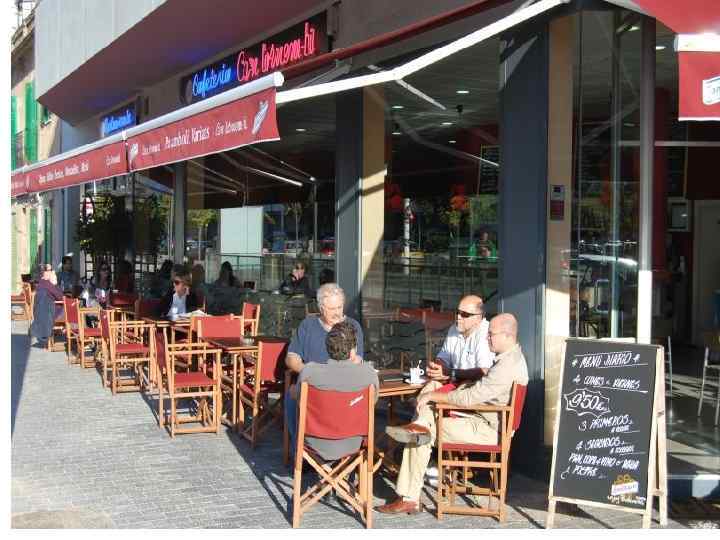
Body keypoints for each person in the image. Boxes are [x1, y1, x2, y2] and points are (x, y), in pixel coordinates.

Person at [376, 313, 528, 515]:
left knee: (422, 434)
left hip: (489, 429)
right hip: (485, 418)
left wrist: (433, 396)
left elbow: (470, 397)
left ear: (507, 335)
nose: (487, 338)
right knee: (426, 413)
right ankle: (418, 428)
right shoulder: (510, 358)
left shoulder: (506, 367)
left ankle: (409, 497)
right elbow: (479, 390)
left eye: (491, 334)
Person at [284, 283, 365, 451]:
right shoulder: (308, 326)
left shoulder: (353, 326)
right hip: (313, 386)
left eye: (340, 307)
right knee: (291, 398)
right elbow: (291, 358)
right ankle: (302, 449)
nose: (337, 313)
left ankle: (340, 450)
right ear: (321, 308)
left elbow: (358, 360)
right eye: (332, 308)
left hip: (344, 388)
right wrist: (310, 372)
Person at [292, 320, 379, 461]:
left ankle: (303, 459)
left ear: (328, 348)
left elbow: (299, 399)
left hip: (315, 441)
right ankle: (347, 469)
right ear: (353, 351)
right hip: (353, 442)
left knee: (295, 399)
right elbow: (372, 403)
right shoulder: (368, 373)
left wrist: (293, 390)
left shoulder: (309, 372)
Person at [421, 295, 494, 395]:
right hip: (455, 384)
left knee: (428, 398)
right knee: (427, 390)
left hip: (475, 388)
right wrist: (437, 368)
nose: (458, 317)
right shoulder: (454, 329)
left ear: (479, 317)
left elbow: (483, 372)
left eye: (464, 314)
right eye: (457, 312)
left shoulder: (487, 333)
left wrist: (450, 372)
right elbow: (443, 357)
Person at [30, 267, 65, 348]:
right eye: (50, 271)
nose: (52, 272)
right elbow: (61, 297)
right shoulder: (48, 284)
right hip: (53, 313)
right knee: (75, 311)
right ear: (45, 273)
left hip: (44, 312)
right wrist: (55, 284)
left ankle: (65, 330)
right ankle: (81, 337)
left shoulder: (41, 283)